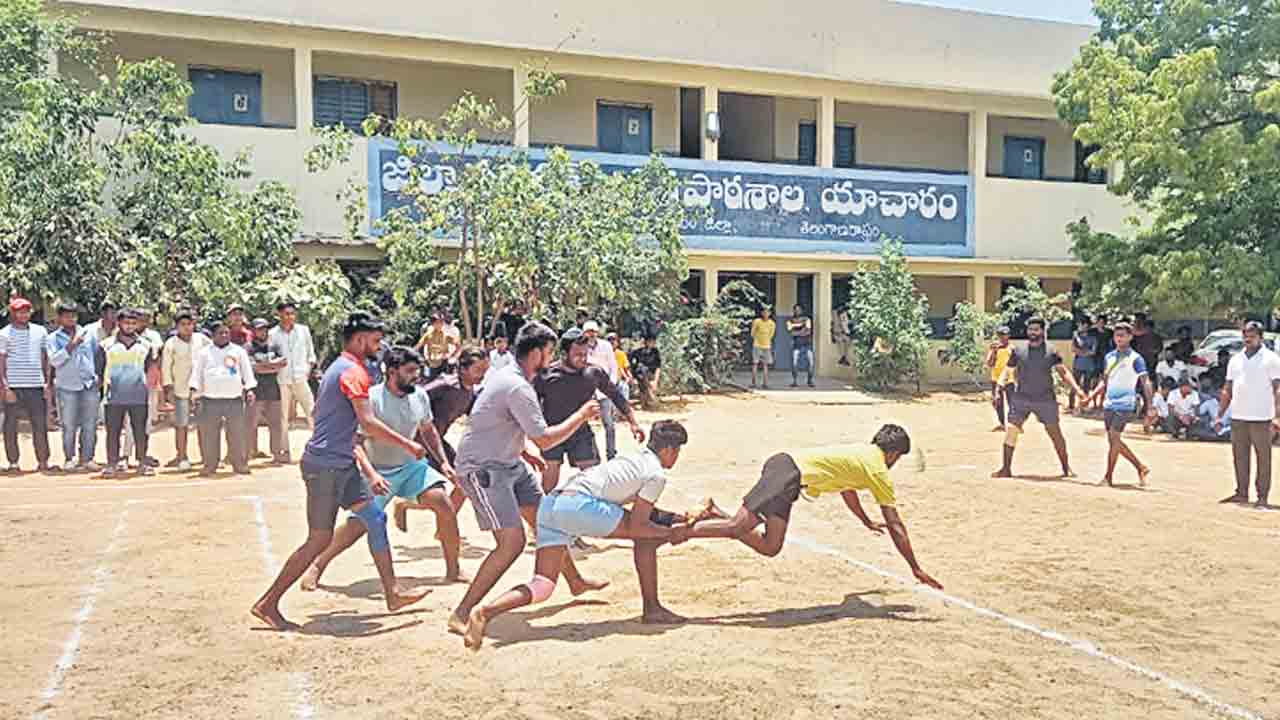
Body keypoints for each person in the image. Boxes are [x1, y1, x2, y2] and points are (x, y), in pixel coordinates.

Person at [252, 312, 430, 631]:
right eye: (375, 340)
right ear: (360, 339)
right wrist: (408, 445)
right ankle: (268, 603)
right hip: (325, 466)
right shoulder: (352, 372)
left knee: (375, 518)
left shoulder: (344, 368)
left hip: (341, 463)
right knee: (318, 539)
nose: (380, 346)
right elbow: (368, 423)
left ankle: (392, 593)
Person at [463, 420, 695, 648]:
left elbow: (643, 513)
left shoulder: (634, 458)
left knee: (542, 585)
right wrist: (669, 534)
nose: (676, 457)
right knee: (646, 535)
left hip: (552, 504)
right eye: (677, 452)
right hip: (580, 506)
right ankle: (652, 608)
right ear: (668, 450)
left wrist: (674, 519)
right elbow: (638, 525)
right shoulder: (656, 475)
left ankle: (484, 612)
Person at [446, 321, 608, 638]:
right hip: (483, 469)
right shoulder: (518, 386)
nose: (551, 357)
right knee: (512, 543)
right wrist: (581, 416)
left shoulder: (513, 379)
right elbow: (546, 439)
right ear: (536, 354)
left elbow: (501, 422)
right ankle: (462, 613)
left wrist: (522, 450)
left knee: (548, 519)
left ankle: (574, 581)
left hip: (509, 462)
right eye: (548, 351)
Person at [682, 424, 942, 589]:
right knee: (736, 526)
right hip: (787, 474)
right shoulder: (878, 470)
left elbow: (847, 488)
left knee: (771, 546)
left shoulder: (864, 454)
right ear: (894, 454)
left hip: (789, 476)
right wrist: (915, 568)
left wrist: (865, 521)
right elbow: (896, 525)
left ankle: (714, 512)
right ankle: (678, 532)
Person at [300, 347, 467, 588]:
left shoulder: (419, 396)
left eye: (417, 370)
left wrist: (443, 462)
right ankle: (317, 565)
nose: (416, 375)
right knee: (358, 525)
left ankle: (454, 569)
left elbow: (428, 431)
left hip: (411, 468)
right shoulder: (370, 399)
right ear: (391, 372)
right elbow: (355, 444)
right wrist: (372, 474)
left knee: (443, 503)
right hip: (377, 470)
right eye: (410, 371)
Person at [535, 327, 643, 493]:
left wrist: (633, 422)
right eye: (578, 354)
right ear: (564, 354)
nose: (583, 359)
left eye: (586, 354)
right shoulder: (546, 376)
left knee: (596, 480)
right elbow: (531, 404)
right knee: (549, 483)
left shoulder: (593, 373)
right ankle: (544, 516)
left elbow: (616, 395)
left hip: (580, 433)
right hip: (553, 432)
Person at [991, 317, 1089, 479]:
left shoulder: (1052, 351)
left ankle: (1066, 469)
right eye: (1030, 330)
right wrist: (998, 389)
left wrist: (1078, 390)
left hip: (1045, 399)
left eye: (1036, 329)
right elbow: (1007, 371)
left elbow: (1063, 372)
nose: (1033, 333)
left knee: (1055, 433)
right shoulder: (1018, 351)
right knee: (1011, 431)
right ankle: (1006, 469)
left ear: (1043, 331)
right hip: (1021, 398)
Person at [1215, 321, 1280, 507]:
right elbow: (1228, 389)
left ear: (1260, 337)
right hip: (1239, 415)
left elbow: (1278, 389)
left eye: (1251, 335)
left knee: (1263, 458)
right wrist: (1220, 414)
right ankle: (1241, 492)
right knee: (1239, 456)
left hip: (1262, 416)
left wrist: (1277, 416)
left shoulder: (1271, 359)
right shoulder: (1236, 360)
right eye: (1245, 335)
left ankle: (1262, 496)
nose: (1247, 338)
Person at [422, 347, 489, 513]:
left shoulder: (470, 393)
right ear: (463, 368)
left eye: (485, 370)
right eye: (478, 370)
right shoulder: (446, 383)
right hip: (421, 443)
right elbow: (417, 397)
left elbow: (478, 418)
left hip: (438, 444)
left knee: (464, 484)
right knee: (435, 493)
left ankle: (443, 529)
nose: (482, 375)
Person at [1087, 322, 1153, 487]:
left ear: (1130, 337)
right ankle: (1140, 467)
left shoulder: (1135, 358)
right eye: (1117, 335)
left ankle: (1108, 477)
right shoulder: (1109, 357)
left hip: (1126, 403)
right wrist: (1091, 397)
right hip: (1109, 403)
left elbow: (1146, 382)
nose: (1119, 339)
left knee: (1114, 438)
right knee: (1113, 441)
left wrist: (1150, 406)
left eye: (1123, 335)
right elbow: (1105, 381)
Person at [190, 322, 257, 477]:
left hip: (233, 399)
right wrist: (195, 393)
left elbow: (247, 372)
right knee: (209, 434)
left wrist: (249, 389)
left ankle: (239, 464)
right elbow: (197, 374)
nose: (224, 336)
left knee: (237, 433)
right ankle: (210, 465)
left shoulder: (238, 351)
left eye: (226, 332)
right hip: (210, 399)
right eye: (220, 333)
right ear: (213, 335)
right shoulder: (204, 353)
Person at [100, 309, 154, 477]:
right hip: (114, 395)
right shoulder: (106, 344)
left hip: (138, 394)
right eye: (126, 323)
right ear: (119, 323)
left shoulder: (146, 344)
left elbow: (149, 368)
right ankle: (112, 463)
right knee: (113, 431)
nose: (130, 326)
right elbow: (100, 368)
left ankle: (142, 462)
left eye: (133, 323)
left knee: (140, 430)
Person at [0, 297, 51, 474]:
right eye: (19, 311)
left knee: (40, 425)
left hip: (36, 385)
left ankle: (43, 461)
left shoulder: (40, 331)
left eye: (26, 311)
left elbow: (45, 358)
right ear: (13, 313)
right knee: (10, 426)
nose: (23, 314)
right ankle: (13, 462)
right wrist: (5, 388)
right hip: (14, 386)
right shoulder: (4, 334)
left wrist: (47, 383)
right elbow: (1, 362)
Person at [47, 303, 100, 472]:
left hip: (89, 385)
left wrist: (97, 375)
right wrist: (72, 345)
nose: (71, 319)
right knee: (69, 425)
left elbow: (97, 354)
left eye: (74, 315)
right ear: (59, 318)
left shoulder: (88, 334)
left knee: (90, 424)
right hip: (67, 387)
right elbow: (54, 361)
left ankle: (87, 458)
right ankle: (69, 458)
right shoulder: (53, 339)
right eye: (67, 316)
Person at [162, 310, 209, 471]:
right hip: (180, 390)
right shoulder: (171, 343)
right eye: (183, 324)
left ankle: (207, 457)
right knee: (181, 425)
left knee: (204, 424)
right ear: (177, 326)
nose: (187, 327)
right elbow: (166, 368)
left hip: (201, 390)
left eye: (189, 324)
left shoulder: (202, 340)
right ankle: (182, 457)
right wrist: (168, 390)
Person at [246, 319, 289, 464]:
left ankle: (277, 454)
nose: (262, 332)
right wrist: (271, 365)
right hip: (256, 390)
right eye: (259, 329)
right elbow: (253, 367)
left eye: (264, 329)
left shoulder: (274, 346)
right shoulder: (249, 347)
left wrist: (265, 365)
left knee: (276, 423)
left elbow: (283, 363)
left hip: (273, 389)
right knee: (251, 423)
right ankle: (249, 453)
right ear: (253, 331)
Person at [270, 301, 318, 432]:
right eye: (286, 314)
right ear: (279, 314)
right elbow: (270, 357)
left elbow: (311, 354)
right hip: (282, 380)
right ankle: (283, 449)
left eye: (292, 314)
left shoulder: (303, 331)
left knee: (312, 411)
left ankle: (320, 446)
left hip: (301, 378)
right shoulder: (272, 334)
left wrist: (307, 371)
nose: (289, 317)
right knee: (282, 416)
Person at [583, 320, 626, 460]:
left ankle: (611, 454)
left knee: (609, 425)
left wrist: (610, 386)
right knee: (586, 426)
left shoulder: (606, 346)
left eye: (593, 332)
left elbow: (613, 367)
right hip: (587, 393)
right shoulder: (580, 347)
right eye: (588, 332)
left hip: (605, 391)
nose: (591, 334)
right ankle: (594, 456)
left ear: (597, 332)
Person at [985, 326, 1013, 431]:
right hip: (996, 379)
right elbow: (989, 363)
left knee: (1012, 403)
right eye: (1000, 335)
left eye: (1005, 335)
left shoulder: (1012, 349)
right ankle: (1002, 424)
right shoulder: (994, 348)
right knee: (997, 402)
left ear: (1008, 336)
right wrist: (993, 352)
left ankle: (1013, 424)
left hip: (1009, 380)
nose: (1002, 337)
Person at [415, 312, 458, 380]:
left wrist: (452, 356)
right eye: (438, 322)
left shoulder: (446, 335)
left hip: (444, 363)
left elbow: (458, 345)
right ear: (433, 324)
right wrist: (420, 359)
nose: (440, 324)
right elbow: (417, 347)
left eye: (441, 322)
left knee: (445, 384)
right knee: (433, 384)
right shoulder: (428, 335)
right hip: (432, 365)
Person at [1069, 318, 1097, 412]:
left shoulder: (1092, 337)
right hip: (1078, 363)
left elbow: (1093, 351)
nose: (1080, 327)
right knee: (1074, 384)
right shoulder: (1076, 337)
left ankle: (1084, 405)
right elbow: (1073, 349)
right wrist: (1085, 352)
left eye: (1082, 324)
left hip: (1089, 364)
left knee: (1086, 386)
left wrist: (1081, 351)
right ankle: (1071, 405)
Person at [630, 334, 663, 409]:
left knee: (645, 378)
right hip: (641, 375)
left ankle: (649, 397)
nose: (652, 343)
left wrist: (655, 381)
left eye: (653, 341)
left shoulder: (655, 352)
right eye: (649, 341)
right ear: (646, 342)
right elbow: (633, 365)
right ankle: (649, 397)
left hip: (651, 374)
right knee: (642, 369)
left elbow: (658, 367)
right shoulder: (638, 352)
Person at [786, 304, 815, 388]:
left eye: (799, 309)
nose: (797, 311)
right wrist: (802, 329)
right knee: (794, 363)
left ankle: (810, 380)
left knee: (811, 362)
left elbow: (808, 331)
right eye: (795, 309)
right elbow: (791, 332)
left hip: (807, 344)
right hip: (796, 345)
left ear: (802, 310)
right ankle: (794, 381)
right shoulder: (790, 320)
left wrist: (797, 331)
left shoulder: (807, 319)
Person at [1091, 315, 1114, 410]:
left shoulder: (1109, 332)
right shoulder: (1092, 332)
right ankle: (1094, 402)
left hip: (1106, 359)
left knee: (1105, 381)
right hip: (1094, 359)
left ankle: (1101, 402)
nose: (1101, 323)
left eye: (1102, 322)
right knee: (1094, 381)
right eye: (1099, 321)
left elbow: (1112, 344)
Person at [750, 306, 776, 389]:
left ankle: (765, 383)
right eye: (764, 312)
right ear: (761, 313)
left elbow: (771, 334)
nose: (765, 314)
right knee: (756, 364)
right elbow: (753, 333)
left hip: (765, 346)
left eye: (767, 312)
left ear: (770, 313)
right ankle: (754, 383)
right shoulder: (757, 321)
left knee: (764, 365)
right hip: (758, 345)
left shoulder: (772, 323)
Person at [608, 332, 634, 403]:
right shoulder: (603, 353)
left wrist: (629, 377)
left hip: (618, 380)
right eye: (609, 340)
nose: (612, 341)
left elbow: (626, 368)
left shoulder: (621, 354)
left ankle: (624, 410)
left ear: (617, 342)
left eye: (614, 339)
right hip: (606, 380)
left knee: (624, 387)